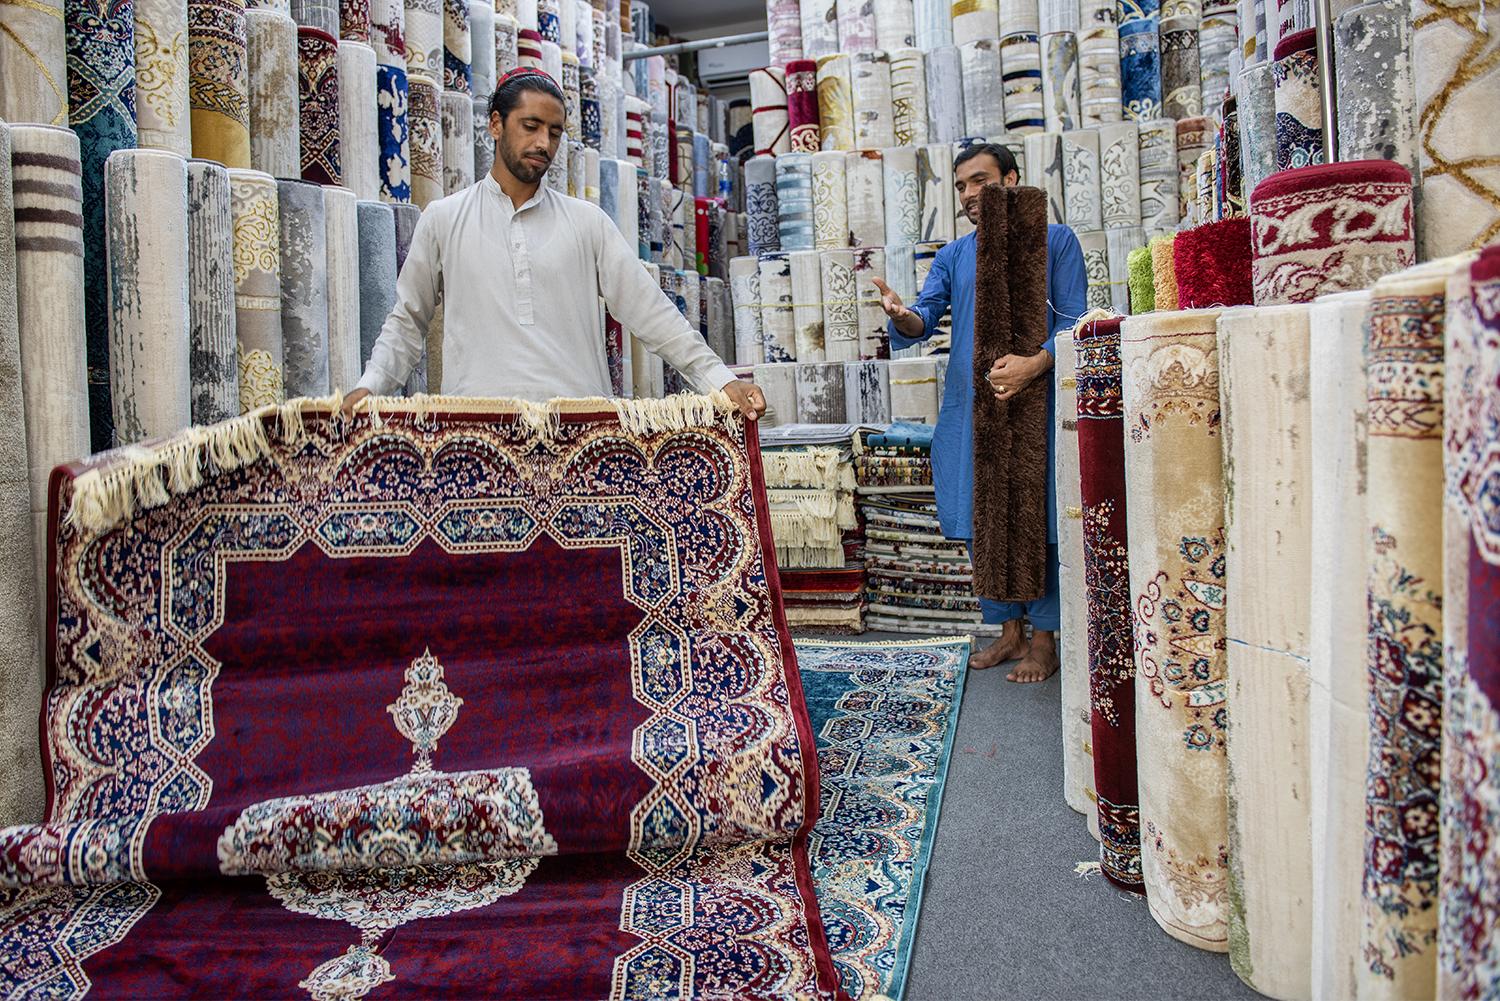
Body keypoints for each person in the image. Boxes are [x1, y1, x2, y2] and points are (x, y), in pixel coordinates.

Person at [343, 67, 765, 419]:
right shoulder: (444, 218)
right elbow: (406, 321)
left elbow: (652, 313)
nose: (544, 143)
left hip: (579, 432)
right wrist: (370, 386)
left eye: (555, 132)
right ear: (495, 124)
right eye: (530, 126)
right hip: (478, 431)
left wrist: (720, 380)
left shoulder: (587, 223)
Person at [871, 143, 1087, 683]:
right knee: (976, 516)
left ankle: (1044, 640)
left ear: (1012, 180)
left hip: (1037, 403)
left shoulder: (1056, 242)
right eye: (962, 185)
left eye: (980, 181)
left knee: (1037, 516)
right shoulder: (953, 256)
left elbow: (1079, 318)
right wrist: (902, 316)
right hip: (971, 408)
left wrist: (1038, 363)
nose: (969, 194)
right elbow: (924, 316)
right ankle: (1007, 630)